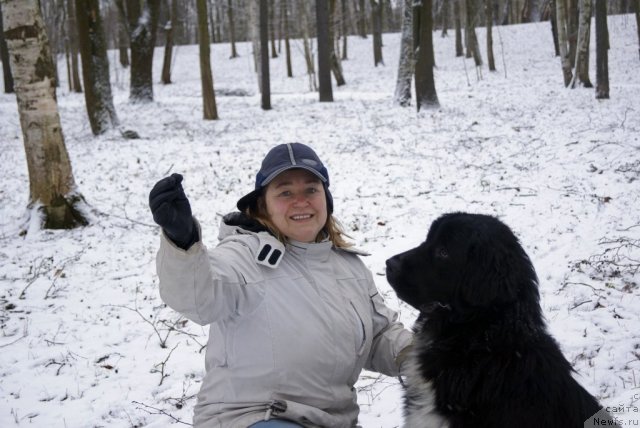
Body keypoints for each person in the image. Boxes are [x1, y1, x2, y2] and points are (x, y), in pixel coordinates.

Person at [149, 143, 413, 428]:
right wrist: (183, 240)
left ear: (326, 198)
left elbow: (379, 336)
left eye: (311, 189)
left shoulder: (349, 267)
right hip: (254, 417)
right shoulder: (245, 255)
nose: (301, 201)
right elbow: (198, 297)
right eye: (285, 192)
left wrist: (430, 359)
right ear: (263, 204)